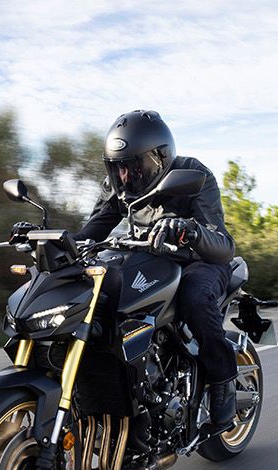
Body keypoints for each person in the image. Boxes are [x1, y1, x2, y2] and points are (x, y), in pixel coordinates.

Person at [76, 109, 238, 429]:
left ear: (158, 159)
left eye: (133, 166)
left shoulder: (193, 174)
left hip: (200, 262)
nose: (124, 176)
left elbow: (223, 245)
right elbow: (90, 233)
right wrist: (54, 241)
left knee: (195, 296)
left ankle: (224, 381)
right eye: (117, 167)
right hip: (150, 264)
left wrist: (190, 230)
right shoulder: (119, 188)